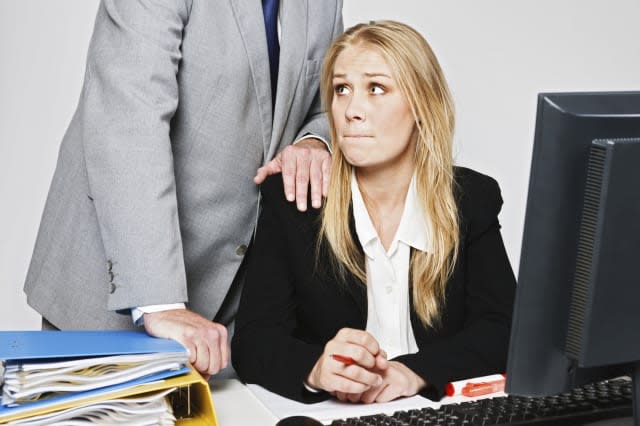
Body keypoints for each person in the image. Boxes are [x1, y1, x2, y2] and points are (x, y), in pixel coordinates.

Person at [23, 0, 343, 378]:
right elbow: (129, 123)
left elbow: (329, 102)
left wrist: (314, 142)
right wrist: (159, 303)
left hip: (231, 315)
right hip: (117, 292)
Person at [232, 20, 516, 403]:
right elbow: (254, 342)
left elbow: (503, 329)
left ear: (421, 105)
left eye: (376, 89)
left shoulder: (469, 198)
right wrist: (316, 368)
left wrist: (413, 372)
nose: (352, 110)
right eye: (342, 89)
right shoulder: (295, 201)